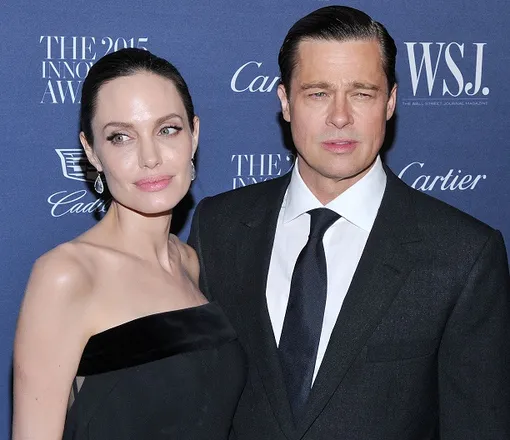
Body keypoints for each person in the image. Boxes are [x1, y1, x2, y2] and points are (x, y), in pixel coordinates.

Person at [188, 6, 510, 439]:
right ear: (285, 102)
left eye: (361, 93)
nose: (340, 117)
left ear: (390, 101)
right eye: (318, 93)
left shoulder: (463, 255)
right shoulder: (218, 226)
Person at [13, 48, 246, 440]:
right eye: (120, 137)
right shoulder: (67, 275)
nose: (150, 157)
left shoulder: (189, 262)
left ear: (194, 135)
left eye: (167, 130)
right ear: (92, 151)